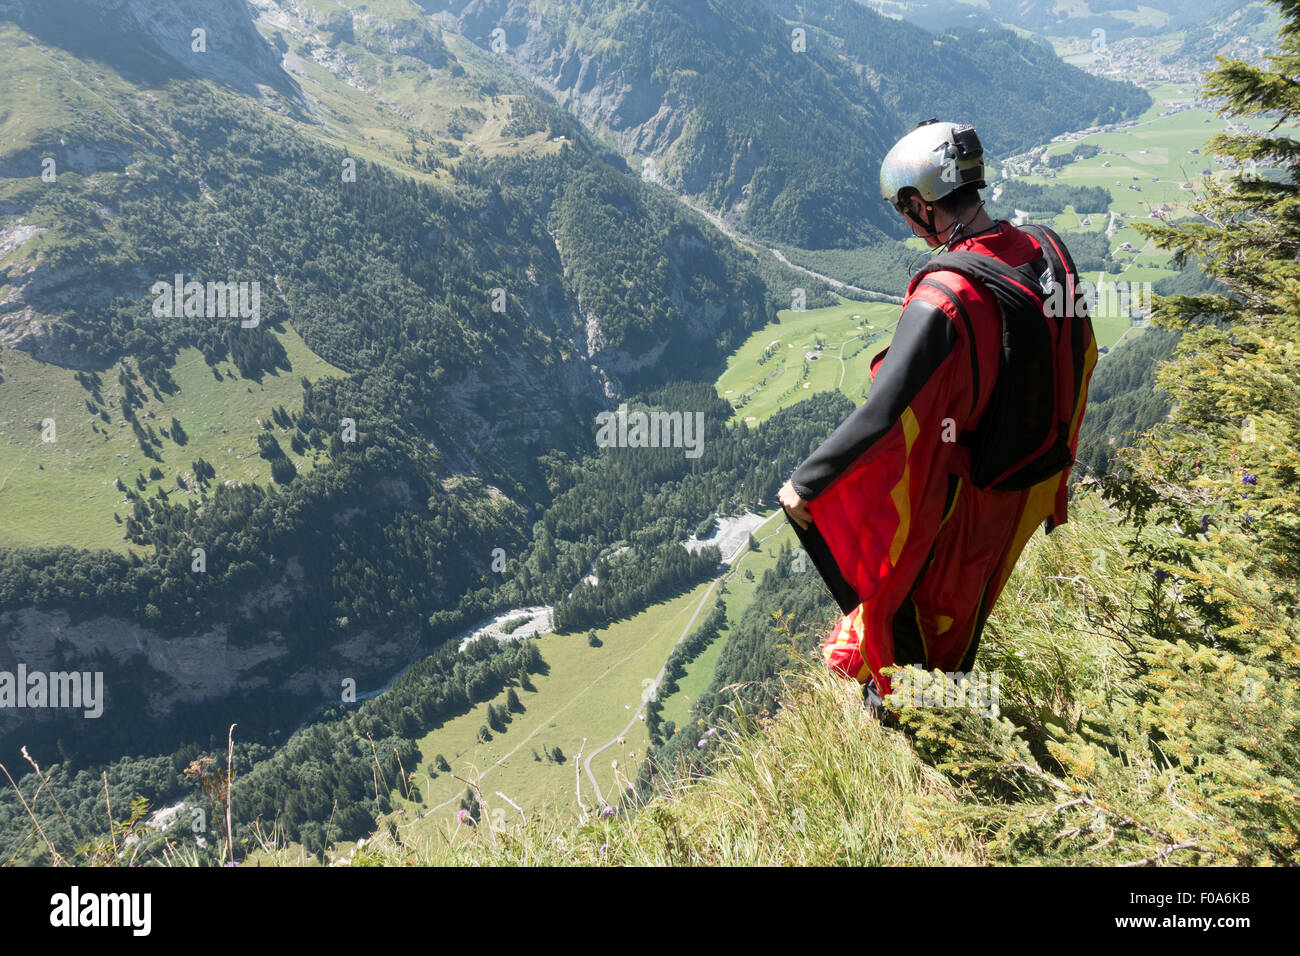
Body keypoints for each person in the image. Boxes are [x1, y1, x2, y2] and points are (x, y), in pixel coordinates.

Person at [778, 119, 1097, 716]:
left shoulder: (945, 296)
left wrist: (806, 487)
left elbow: (882, 414)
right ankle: (954, 709)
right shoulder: (1048, 248)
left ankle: (917, 733)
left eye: (905, 210)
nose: (906, 223)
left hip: (965, 492)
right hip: (1025, 477)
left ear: (922, 206)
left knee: (912, 613)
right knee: (969, 603)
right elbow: (1079, 349)